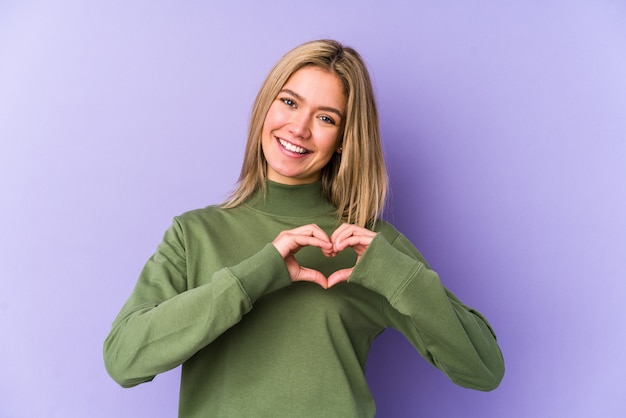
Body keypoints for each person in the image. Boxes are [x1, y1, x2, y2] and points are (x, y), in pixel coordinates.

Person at [104, 39, 504, 417]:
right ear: (266, 106)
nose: (299, 127)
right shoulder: (194, 235)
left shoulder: (369, 246)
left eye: (326, 118)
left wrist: (397, 274)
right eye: (290, 102)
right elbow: (124, 361)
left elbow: (484, 370)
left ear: (344, 139)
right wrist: (256, 276)